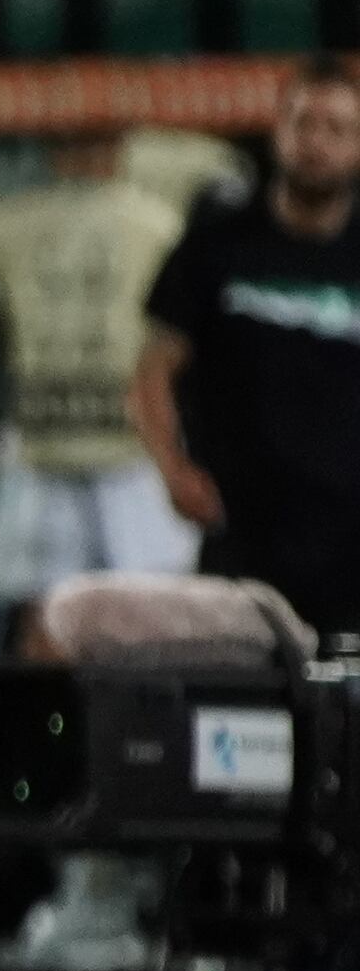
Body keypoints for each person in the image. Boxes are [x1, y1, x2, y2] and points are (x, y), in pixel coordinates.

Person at [140, 57, 360, 642]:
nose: (315, 142)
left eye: (337, 129)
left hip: (348, 543)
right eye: (302, 122)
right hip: (240, 532)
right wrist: (171, 468)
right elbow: (154, 368)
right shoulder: (218, 240)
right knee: (230, 708)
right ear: (277, 129)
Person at [0, 128, 208, 636]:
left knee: (57, 621)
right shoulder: (162, 222)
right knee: (139, 620)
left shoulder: (7, 222)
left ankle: (57, 715)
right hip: (110, 442)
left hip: (70, 436)